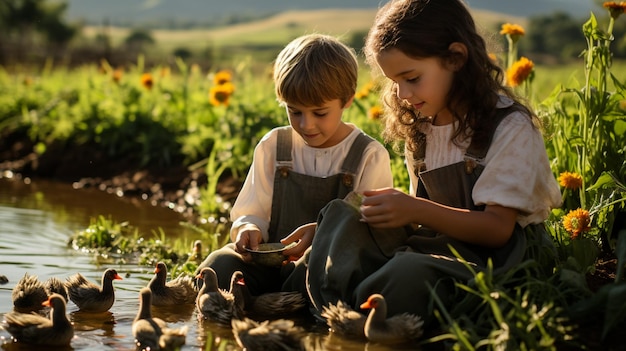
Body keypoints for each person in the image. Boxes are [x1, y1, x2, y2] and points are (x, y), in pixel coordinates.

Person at [306, 0, 562, 328]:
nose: (401, 93)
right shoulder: (423, 127)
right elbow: (423, 217)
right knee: (341, 215)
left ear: (455, 58)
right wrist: (357, 219)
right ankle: (337, 314)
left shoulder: (509, 126)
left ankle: (359, 315)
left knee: (407, 271)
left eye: (411, 78)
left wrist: (415, 210)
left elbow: (498, 229)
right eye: (394, 82)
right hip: (438, 243)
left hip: (497, 261)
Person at [196, 33, 393, 296]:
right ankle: (254, 306)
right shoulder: (274, 146)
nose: (305, 124)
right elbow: (252, 209)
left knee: (314, 270)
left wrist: (323, 235)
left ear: (347, 99)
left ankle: (284, 306)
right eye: (294, 111)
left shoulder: (367, 155)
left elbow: (368, 232)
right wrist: (248, 227)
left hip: (326, 266)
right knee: (218, 265)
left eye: (320, 113)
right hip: (269, 265)